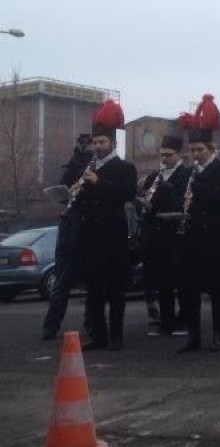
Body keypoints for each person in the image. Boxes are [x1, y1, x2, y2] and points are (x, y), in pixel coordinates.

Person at [176, 95, 220, 353]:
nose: (195, 155)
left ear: (211, 149)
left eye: (199, 150)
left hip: (216, 237)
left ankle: (218, 334)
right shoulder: (189, 173)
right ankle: (193, 336)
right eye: (192, 151)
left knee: (217, 290)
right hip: (191, 238)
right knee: (189, 290)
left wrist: (199, 188)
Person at [76, 102, 138, 351]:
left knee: (114, 288)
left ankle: (115, 335)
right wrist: (75, 191)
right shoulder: (89, 167)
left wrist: (98, 181)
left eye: (102, 143)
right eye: (95, 143)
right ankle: (97, 335)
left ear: (112, 143)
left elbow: (126, 193)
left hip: (112, 235)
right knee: (93, 289)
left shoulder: (124, 167)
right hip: (90, 235)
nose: (98, 147)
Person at [137, 134, 190, 338]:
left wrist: (166, 193)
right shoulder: (154, 176)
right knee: (162, 282)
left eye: (169, 155)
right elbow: (144, 200)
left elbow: (183, 200)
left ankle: (184, 321)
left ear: (179, 155)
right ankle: (167, 322)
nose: (165, 159)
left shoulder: (186, 174)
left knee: (182, 280)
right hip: (156, 234)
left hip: (176, 234)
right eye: (162, 155)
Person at [42, 133, 93, 340]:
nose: (85, 148)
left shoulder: (96, 164)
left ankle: (91, 325)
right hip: (70, 226)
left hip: (86, 225)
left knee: (91, 283)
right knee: (62, 282)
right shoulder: (75, 163)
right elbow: (64, 186)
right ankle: (51, 325)